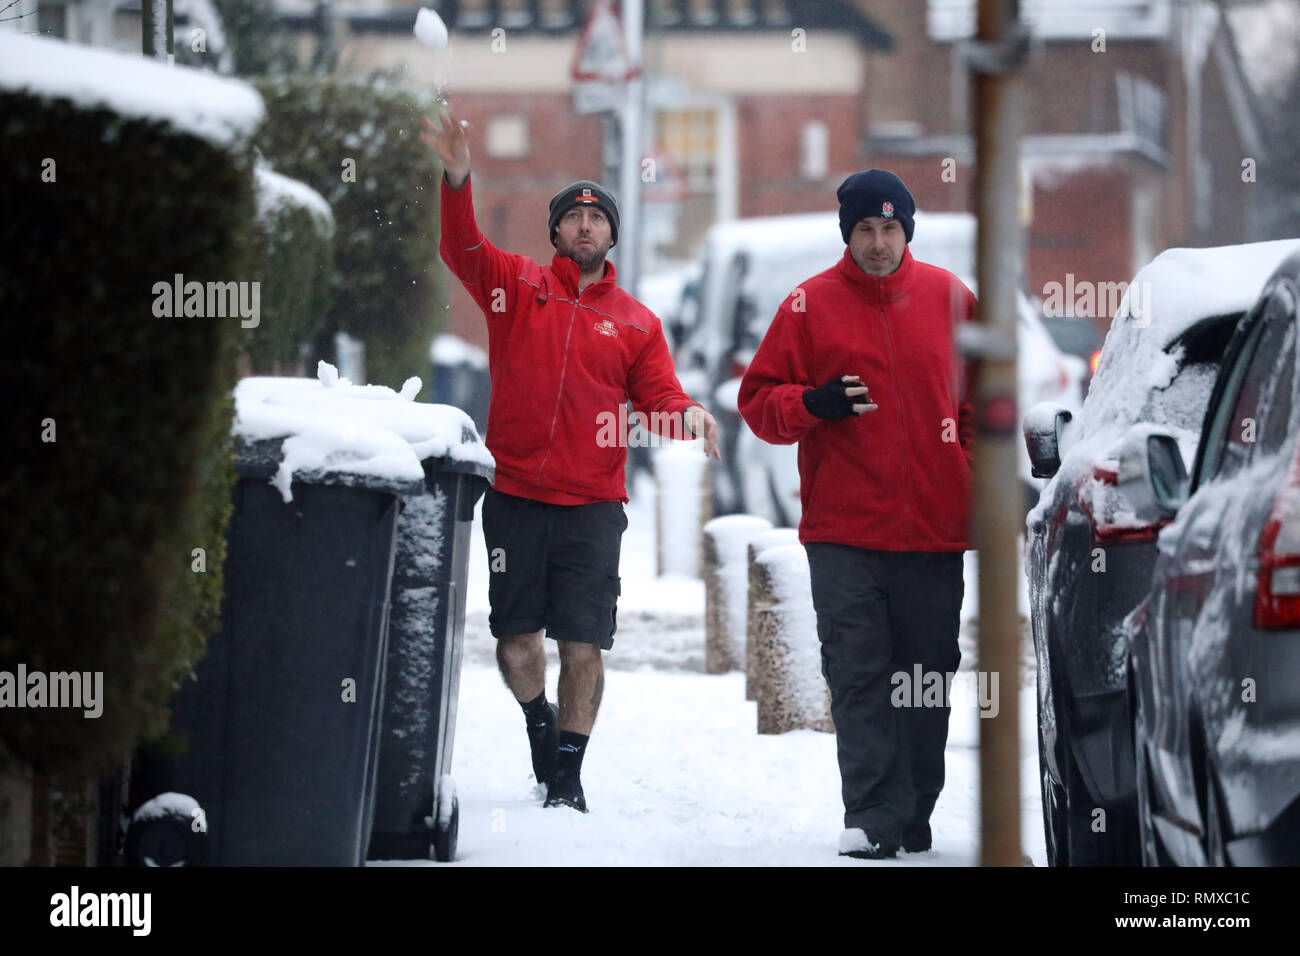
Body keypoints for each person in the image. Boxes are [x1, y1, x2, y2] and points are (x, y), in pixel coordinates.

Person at [421, 106, 721, 813]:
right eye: (572, 216)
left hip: (592, 506)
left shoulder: (638, 322)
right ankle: (537, 723)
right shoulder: (517, 288)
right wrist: (459, 175)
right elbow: (461, 249)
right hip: (518, 497)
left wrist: (690, 415)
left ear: (613, 234)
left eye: (598, 217)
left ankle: (568, 773)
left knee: (583, 644)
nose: (585, 225)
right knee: (517, 640)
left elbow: (658, 398)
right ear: (555, 230)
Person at [738, 169, 975, 859]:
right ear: (848, 234)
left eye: (890, 228)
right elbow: (758, 402)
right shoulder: (807, 305)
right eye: (866, 230)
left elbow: (986, 404)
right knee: (860, 672)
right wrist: (813, 406)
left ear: (907, 230)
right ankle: (872, 815)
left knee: (926, 675)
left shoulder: (952, 299)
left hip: (934, 529)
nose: (878, 243)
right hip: (843, 530)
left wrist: (966, 468)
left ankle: (915, 805)